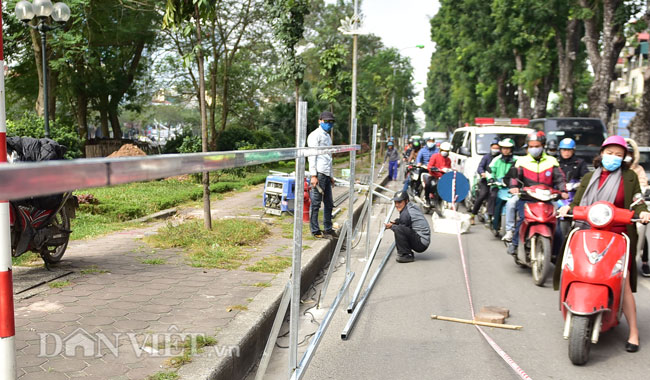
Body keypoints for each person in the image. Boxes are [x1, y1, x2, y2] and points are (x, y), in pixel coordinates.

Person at [557, 135, 650, 352]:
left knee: (623, 281)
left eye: (619, 155)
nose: (613, 158)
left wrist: (642, 211)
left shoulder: (629, 177)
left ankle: (634, 331)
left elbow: (637, 200)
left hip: (617, 235)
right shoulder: (590, 176)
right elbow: (577, 203)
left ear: (625, 157)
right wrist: (567, 209)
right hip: (587, 230)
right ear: (602, 153)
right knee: (574, 268)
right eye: (610, 153)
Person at [502, 131, 566, 255]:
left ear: (543, 145)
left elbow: (560, 178)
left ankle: (558, 254)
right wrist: (514, 187)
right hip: (527, 197)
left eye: (537, 146)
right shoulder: (522, 161)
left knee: (556, 227)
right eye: (531, 146)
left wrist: (563, 191)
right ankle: (514, 244)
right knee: (522, 220)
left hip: (547, 198)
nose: (534, 149)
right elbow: (515, 177)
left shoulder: (552, 161)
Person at [308, 111, 337, 239]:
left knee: (329, 203)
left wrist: (331, 175)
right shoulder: (315, 135)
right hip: (319, 173)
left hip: (326, 174)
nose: (329, 124)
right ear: (320, 121)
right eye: (326, 122)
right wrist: (313, 175)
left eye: (331, 122)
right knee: (315, 204)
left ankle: (328, 228)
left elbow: (328, 157)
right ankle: (315, 230)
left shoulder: (328, 137)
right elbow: (312, 155)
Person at [625, 138, 650, 277]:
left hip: (634, 207)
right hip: (614, 209)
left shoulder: (638, 170)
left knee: (641, 229)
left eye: (630, 152)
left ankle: (644, 262)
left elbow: (641, 188)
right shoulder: (612, 169)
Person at [385, 190, 431, 263]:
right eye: (395, 202)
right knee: (399, 227)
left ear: (406, 201)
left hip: (421, 243)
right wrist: (397, 222)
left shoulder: (406, 213)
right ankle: (407, 252)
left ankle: (405, 255)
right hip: (422, 239)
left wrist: (392, 226)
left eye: (399, 202)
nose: (397, 205)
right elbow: (407, 221)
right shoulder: (411, 206)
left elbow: (401, 229)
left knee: (398, 229)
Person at [485, 138, 516, 237]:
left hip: (512, 188)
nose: (506, 150)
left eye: (508, 148)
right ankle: (491, 216)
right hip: (498, 186)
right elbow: (490, 171)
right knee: (493, 196)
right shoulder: (496, 160)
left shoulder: (517, 160)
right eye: (504, 148)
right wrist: (491, 179)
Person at [470, 139, 500, 225]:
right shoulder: (486, 157)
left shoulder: (500, 158)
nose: (495, 149)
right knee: (482, 195)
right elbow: (480, 167)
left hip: (497, 182)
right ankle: (473, 215)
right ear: (490, 148)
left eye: (497, 148)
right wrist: (483, 173)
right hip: (485, 181)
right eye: (494, 147)